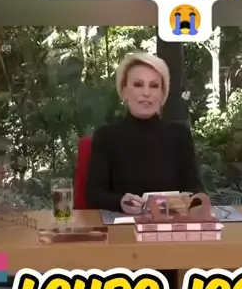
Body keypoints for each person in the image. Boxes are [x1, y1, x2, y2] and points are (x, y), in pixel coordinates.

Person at [85, 52, 203, 214]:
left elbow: (196, 190)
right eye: (138, 85)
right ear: (124, 91)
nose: (146, 93)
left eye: (154, 86)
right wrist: (120, 202)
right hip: (123, 226)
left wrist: (187, 199)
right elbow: (93, 195)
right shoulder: (106, 136)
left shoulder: (179, 134)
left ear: (162, 93)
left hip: (170, 225)